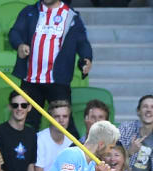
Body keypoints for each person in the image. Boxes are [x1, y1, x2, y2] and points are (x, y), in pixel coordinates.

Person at [9, 0, 92, 136]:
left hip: (58, 81)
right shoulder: (29, 11)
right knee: (27, 123)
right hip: (30, 80)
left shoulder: (71, 16)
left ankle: (74, 155)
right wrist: (19, 45)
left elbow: (82, 42)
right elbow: (15, 32)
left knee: (64, 123)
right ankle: (25, 155)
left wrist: (87, 58)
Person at [0, 91, 42, 171]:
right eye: (15, 105)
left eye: (23, 105)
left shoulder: (31, 133)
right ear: (10, 107)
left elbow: (30, 168)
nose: (19, 108)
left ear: (29, 107)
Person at [36, 100, 73, 171]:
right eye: (57, 116)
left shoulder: (71, 141)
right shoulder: (40, 138)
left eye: (65, 116)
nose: (61, 120)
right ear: (49, 118)